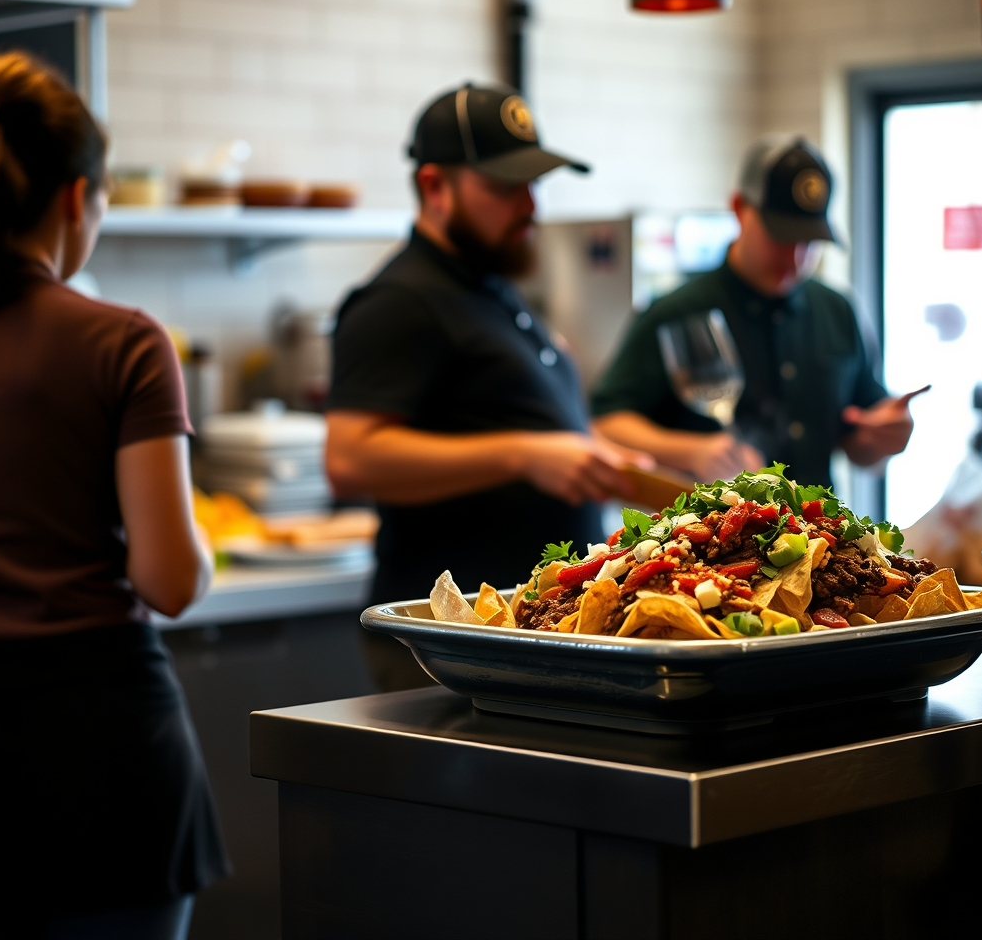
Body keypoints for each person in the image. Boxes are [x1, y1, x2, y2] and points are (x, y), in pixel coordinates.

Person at [0, 53, 228, 939]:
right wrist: (191, 537)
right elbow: (168, 579)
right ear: (73, 199)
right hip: (100, 757)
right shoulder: (123, 342)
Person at [325, 84, 648, 689]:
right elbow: (349, 457)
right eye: (503, 186)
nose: (528, 205)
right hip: (450, 652)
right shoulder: (399, 301)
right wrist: (525, 455)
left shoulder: (490, 290)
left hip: (524, 639)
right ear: (433, 187)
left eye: (533, 184)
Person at [592, 136, 921, 488]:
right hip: (712, 535)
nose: (795, 258)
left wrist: (885, 437)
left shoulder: (836, 309)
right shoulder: (675, 311)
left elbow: (859, 446)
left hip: (819, 536)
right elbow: (606, 424)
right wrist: (692, 451)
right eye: (781, 237)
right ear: (739, 208)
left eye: (808, 242)